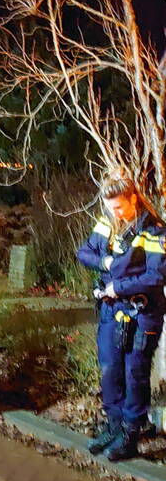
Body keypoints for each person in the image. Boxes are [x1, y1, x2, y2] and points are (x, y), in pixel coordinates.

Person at [77, 174, 166, 461]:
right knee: (110, 371)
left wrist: (119, 286)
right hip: (111, 311)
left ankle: (131, 434)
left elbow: (155, 275)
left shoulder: (153, 230)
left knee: (134, 374)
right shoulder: (108, 223)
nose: (113, 213)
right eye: (108, 208)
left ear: (133, 199)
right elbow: (84, 252)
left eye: (118, 207)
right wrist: (105, 262)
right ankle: (114, 427)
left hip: (142, 313)